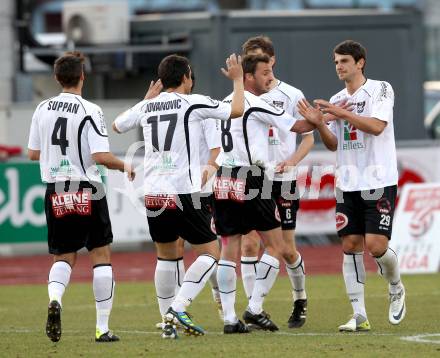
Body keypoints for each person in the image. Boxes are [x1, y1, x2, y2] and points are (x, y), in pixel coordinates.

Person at [112, 53, 244, 337]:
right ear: (186, 77)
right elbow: (236, 109)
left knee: (166, 256)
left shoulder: (148, 107)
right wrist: (238, 80)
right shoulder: (193, 102)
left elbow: (117, 125)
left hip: (154, 194)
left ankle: (166, 325)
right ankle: (180, 306)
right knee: (211, 253)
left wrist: (147, 100)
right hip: (184, 192)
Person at [298, 40, 406, 332]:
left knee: (376, 245)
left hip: (378, 179)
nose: (339, 66)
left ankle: (395, 286)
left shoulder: (381, 89)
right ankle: (359, 315)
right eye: (335, 62)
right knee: (350, 244)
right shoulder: (336, 98)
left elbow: (376, 126)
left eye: (344, 61)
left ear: (360, 63)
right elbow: (334, 144)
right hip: (348, 182)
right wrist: (320, 123)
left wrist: (339, 113)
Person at [27, 51, 135, 343]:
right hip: (88, 186)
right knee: (100, 253)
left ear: (56, 78)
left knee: (63, 255)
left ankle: (55, 299)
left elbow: (33, 153)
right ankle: (102, 328)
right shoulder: (91, 109)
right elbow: (100, 156)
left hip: (56, 188)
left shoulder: (42, 108)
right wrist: (126, 165)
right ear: (82, 76)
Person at [213, 54, 315, 334]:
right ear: (248, 77)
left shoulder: (224, 102)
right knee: (276, 245)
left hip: (223, 178)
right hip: (251, 178)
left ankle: (230, 319)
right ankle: (255, 308)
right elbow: (300, 126)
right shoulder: (254, 102)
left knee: (229, 248)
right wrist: (320, 118)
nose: (270, 78)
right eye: (265, 73)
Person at [240, 35, 313, 328]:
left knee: (285, 248)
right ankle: (253, 309)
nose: (260, 65)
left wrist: (293, 161)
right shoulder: (243, 95)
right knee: (248, 245)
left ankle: (300, 299)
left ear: (272, 60)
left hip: (282, 179)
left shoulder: (292, 94)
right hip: (253, 178)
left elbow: (308, 135)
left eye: (263, 58)